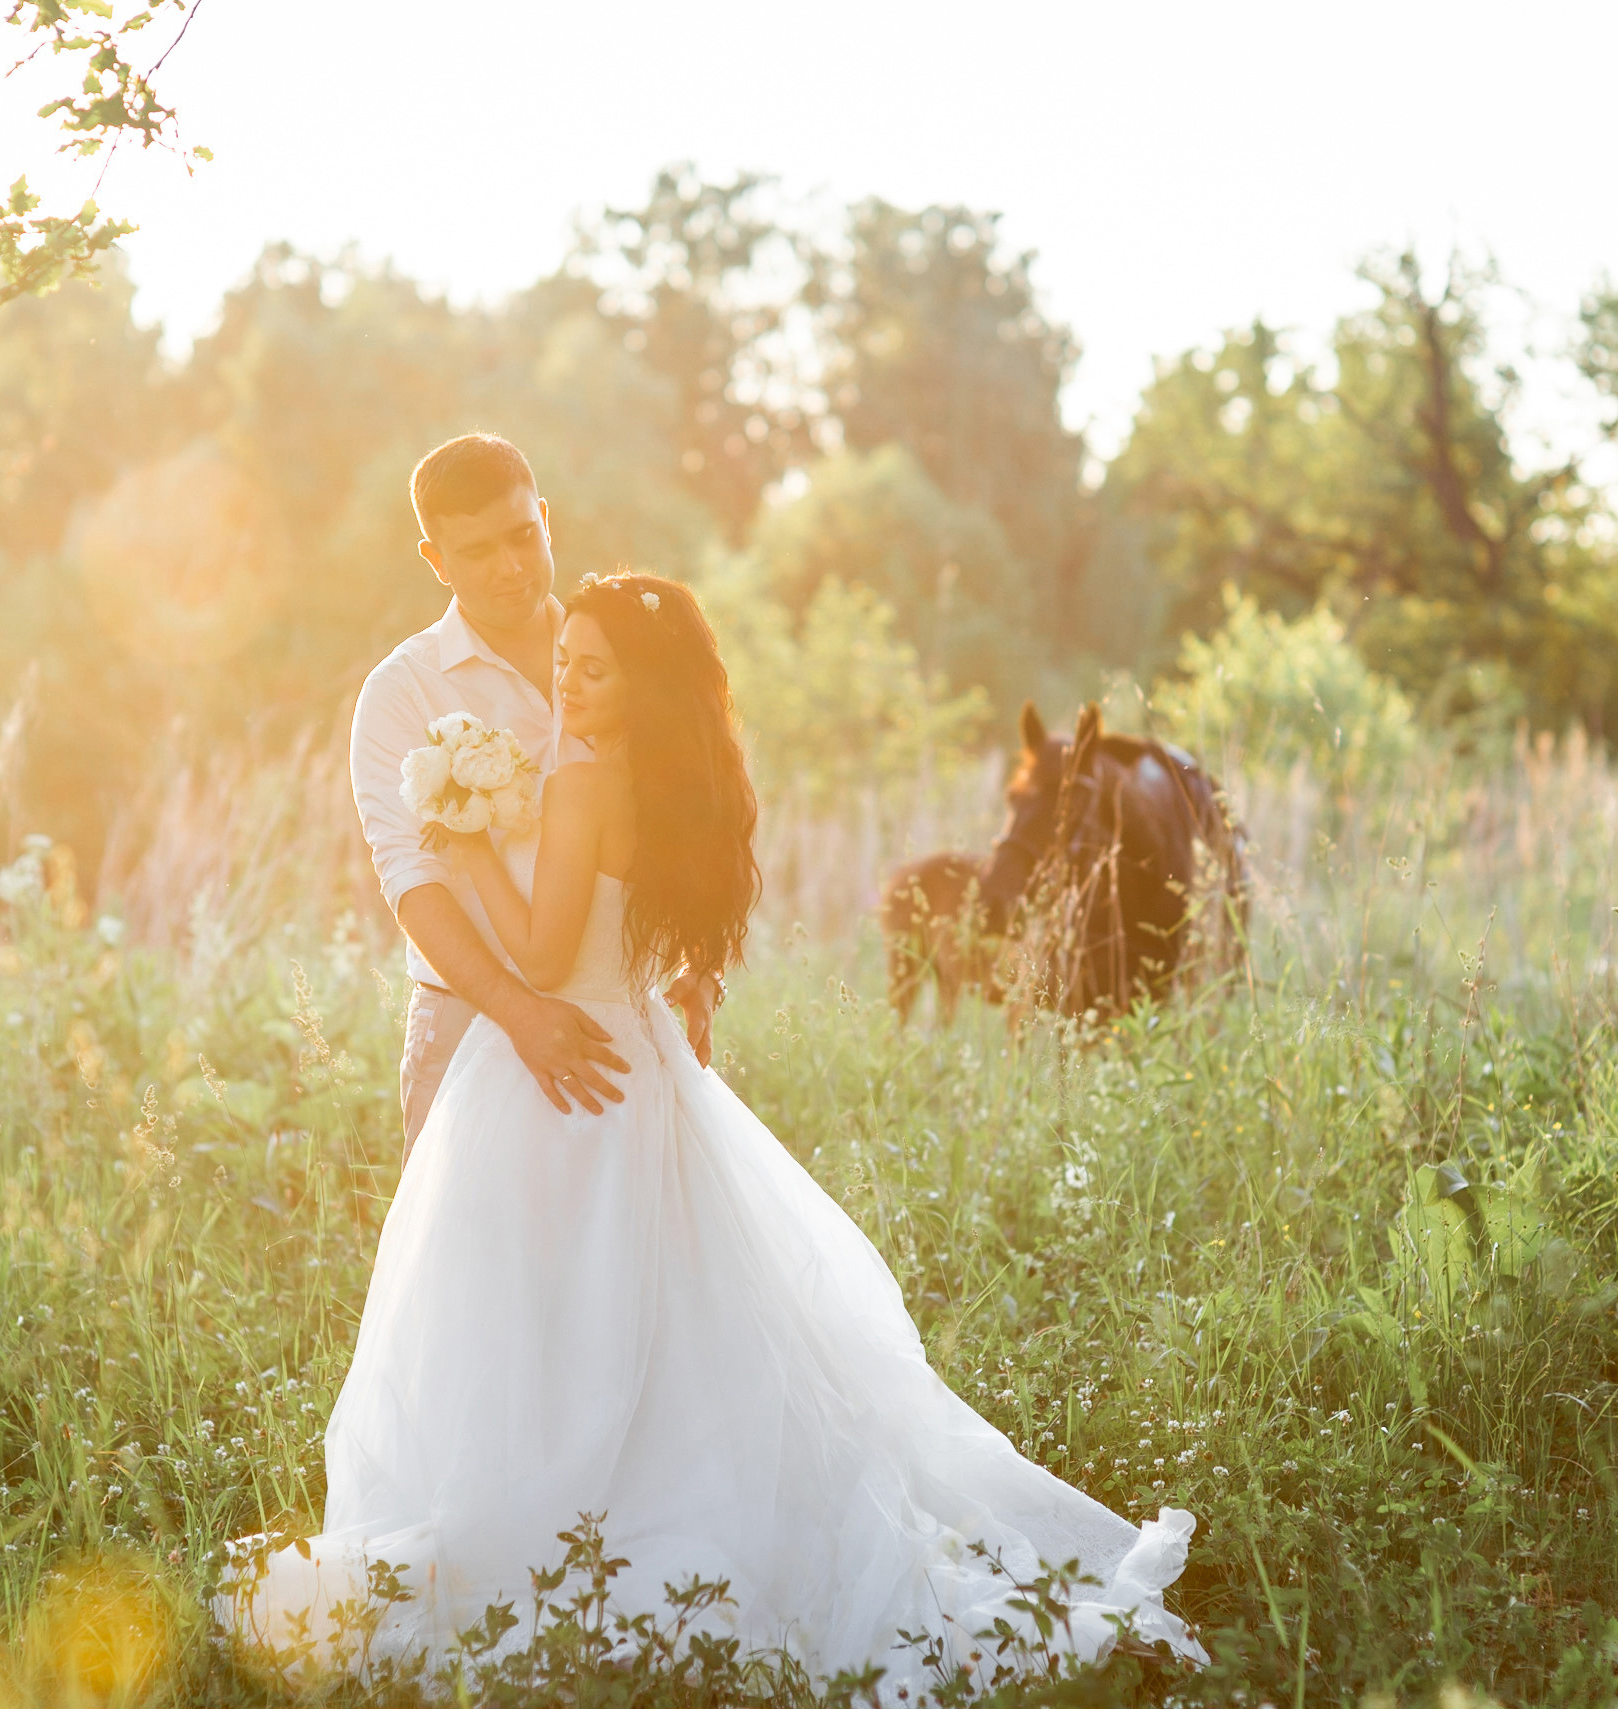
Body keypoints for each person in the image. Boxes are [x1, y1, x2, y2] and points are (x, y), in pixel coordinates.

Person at [220, 569, 1202, 1684]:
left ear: (637, 682)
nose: (567, 682)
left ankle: (548, 1515)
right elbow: (660, 942)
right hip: (642, 1063)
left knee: (532, 1307)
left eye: (591, 669)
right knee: (660, 1304)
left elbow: (542, 961)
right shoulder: (682, 785)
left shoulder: (586, 779)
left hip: (556, 1068)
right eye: (564, 664)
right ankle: (634, 1493)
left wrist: (466, 844)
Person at [347, 434, 721, 1147]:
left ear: (545, 518)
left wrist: (703, 968)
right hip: (470, 1022)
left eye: (522, 536)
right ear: (435, 560)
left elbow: (693, 811)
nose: (511, 567)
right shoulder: (402, 690)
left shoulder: (619, 653)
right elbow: (412, 880)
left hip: (623, 1028)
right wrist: (518, 1012)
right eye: (478, 551)